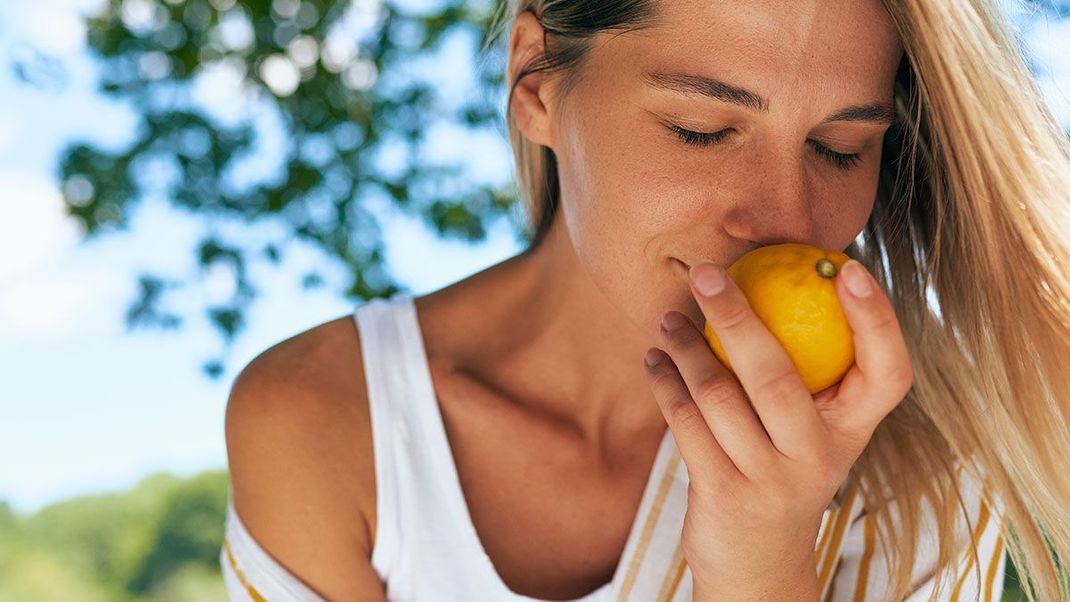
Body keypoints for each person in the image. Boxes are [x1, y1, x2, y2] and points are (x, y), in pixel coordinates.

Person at [219, 0, 1070, 600]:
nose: (785, 220)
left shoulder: (918, 470)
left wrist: (760, 566)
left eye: (840, 148)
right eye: (701, 129)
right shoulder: (326, 420)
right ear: (536, 81)